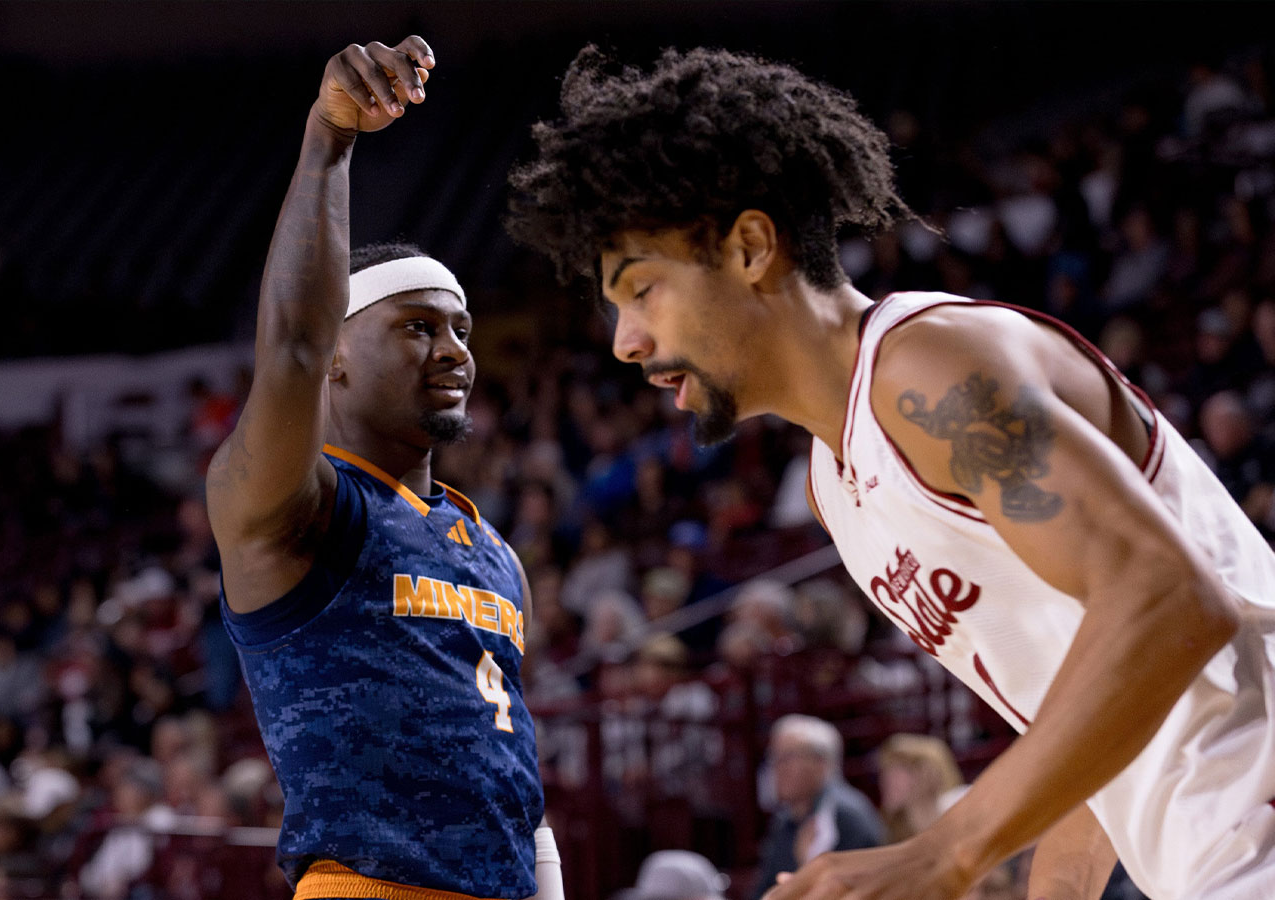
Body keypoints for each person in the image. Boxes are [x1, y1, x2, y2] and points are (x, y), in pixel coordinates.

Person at [508, 45, 1275, 900]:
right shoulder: (838, 488)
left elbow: (1173, 599)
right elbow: (1092, 711)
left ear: (752, 246)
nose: (626, 341)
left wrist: (944, 851)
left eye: (642, 290)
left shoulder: (929, 370)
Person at [205, 37, 556, 900]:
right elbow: (286, 347)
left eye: (462, 330)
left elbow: (509, 765)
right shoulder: (299, 509)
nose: (454, 351)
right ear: (336, 356)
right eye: (416, 327)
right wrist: (330, 136)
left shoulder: (491, 549)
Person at [753, 716, 884, 900]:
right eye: (774, 757)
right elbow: (764, 890)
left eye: (788, 757)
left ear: (821, 763)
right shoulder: (784, 820)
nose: (778, 768)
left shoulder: (846, 816)